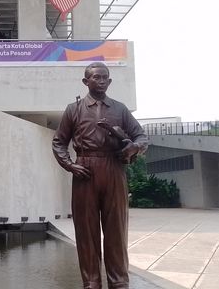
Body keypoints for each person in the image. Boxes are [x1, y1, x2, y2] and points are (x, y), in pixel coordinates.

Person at [52, 62, 148, 289]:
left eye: (105, 77)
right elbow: (59, 142)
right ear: (86, 82)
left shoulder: (120, 109)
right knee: (86, 231)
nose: (101, 81)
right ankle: (92, 282)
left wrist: (133, 148)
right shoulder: (73, 110)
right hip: (85, 170)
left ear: (110, 81)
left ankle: (119, 282)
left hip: (114, 168)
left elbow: (142, 137)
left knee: (116, 229)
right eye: (96, 77)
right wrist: (69, 165)